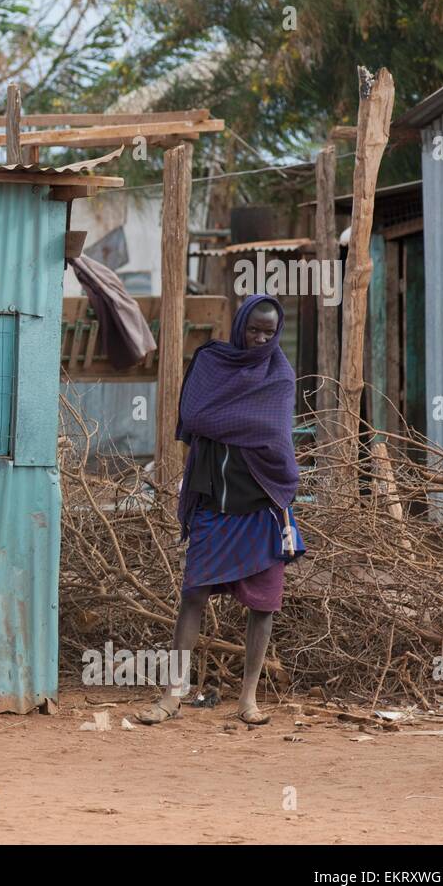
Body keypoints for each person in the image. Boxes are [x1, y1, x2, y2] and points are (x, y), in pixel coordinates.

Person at [137, 294, 304, 726]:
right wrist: (235, 424)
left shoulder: (280, 377)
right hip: (214, 501)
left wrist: (226, 423)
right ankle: (173, 694)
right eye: (254, 329)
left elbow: (271, 433)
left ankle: (248, 698)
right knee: (192, 595)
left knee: (264, 607)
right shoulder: (211, 363)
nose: (260, 338)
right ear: (240, 324)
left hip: (263, 504)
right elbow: (193, 415)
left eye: (269, 332)